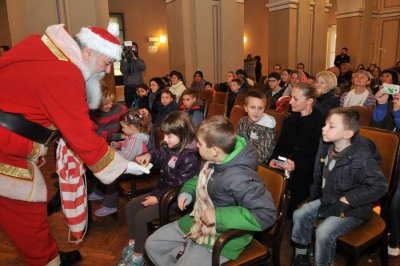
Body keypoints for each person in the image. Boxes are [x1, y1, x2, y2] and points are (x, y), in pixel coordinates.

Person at [0, 23, 149, 265]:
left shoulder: (45, 49)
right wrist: (121, 166)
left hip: (11, 145)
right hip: (6, 151)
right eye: (107, 62)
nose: (108, 70)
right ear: (88, 51)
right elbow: (80, 133)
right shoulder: (65, 73)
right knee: (28, 223)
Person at [145, 115, 277, 266]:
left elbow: (266, 214)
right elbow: (199, 179)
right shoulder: (215, 160)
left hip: (225, 237)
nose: (196, 146)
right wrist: (188, 192)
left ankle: (185, 254)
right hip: (199, 220)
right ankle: (184, 253)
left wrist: (218, 216)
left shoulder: (241, 178)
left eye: (199, 144)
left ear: (214, 150)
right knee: (153, 244)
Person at [291, 107, 388, 266]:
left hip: (353, 209)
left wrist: (347, 199)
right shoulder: (326, 145)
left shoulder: (361, 158)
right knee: (300, 214)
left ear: (347, 134)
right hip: (330, 198)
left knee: (323, 233)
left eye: (331, 126)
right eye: (325, 124)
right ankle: (301, 255)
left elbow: (380, 186)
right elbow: (319, 176)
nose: (324, 128)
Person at [120, 111, 199, 266]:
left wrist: (157, 198)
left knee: (140, 217)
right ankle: (133, 244)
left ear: (182, 134)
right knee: (130, 207)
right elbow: (158, 153)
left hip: (173, 201)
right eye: (164, 135)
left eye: (169, 136)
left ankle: (138, 256)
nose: (164, 139)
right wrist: (148, 156)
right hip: (161, 192)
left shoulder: (190, 156)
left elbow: (181, 184)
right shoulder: (170, 145)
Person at [269, 82, 325, 216]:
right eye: (291, 97)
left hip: (306, 172)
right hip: (285, 166)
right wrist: (273, 159)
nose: (290, 102)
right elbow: (280, 147)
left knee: (286, 194)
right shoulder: (290, 120)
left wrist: (296, 165)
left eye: (295, 99)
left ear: (309, 101)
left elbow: (319, 158)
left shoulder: (321, 124)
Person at [90, 110, 151, 217]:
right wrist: (118, 144)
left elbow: (126, 157)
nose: (122, 129)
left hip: (133, 168)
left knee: (112, 175)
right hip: (129, 164)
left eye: (123, 127)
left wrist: (114, 152)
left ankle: (110, 205)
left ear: (132, 127)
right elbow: (127, 144)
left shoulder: (135, 141)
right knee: (106, 168)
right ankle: (99, 192)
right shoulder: (135, 137)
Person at [237, 91, 276, 165]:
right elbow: (238, 141)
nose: (256, 111)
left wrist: (239, 160)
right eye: (252, 107)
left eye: (260, 108)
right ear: (246, 108)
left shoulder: (267, 129)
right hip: (241, 159)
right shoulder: (242, 121)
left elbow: (261, 156)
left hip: (257, 166)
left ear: (264, 109)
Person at [120, 41, 146, 108]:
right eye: (130, 49)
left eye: (134, 49)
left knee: (140, 105)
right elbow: (123, 70)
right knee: (129, 105)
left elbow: (143, 67)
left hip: (139, 86)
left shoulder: (139, 60)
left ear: (136, 50)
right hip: (128, 87)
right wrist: (125, 59)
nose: (132, 50)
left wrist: (135, 59)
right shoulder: (124, 61)